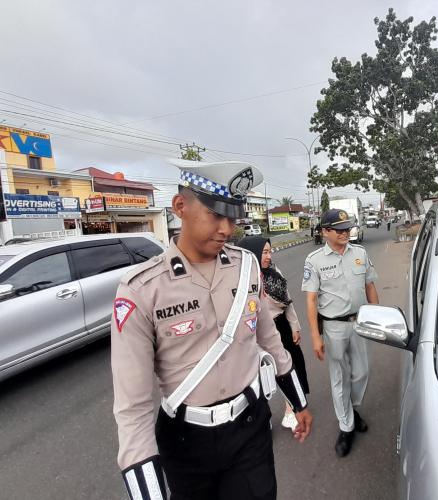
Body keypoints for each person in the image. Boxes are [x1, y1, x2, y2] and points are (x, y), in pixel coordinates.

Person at [111, 160, 312, 500]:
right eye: (216, 215)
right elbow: (134, 406)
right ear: (180, 207)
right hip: (186, 441)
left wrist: (299, 401)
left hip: (250, 428)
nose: (226, 229)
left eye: (233, 217)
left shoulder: (245, 267)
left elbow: (270, 341)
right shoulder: (141, 290)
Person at [302, 208, 379, 458]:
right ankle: (346, 426)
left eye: (348, 228)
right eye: (340, 229)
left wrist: (376, 317)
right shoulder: (314, 261)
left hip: (360, 322)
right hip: (334, 327)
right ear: (325, 232)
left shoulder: (360, 253)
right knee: (339, 377)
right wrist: (315, 336)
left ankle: (352, 409)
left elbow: (370, 285)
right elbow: (311, 301)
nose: (346, 233)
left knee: (362, 372)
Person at [238, 236, 310, 431]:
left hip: (281, 326)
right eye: (265, 252)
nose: (270, 256)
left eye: (270, 251)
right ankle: (263, 416)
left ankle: (291, 409)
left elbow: (288, 301)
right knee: (258, 376)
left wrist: (294, 326)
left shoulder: (274, 272)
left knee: (289, 367)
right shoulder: (241, 277)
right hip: (253, 333)